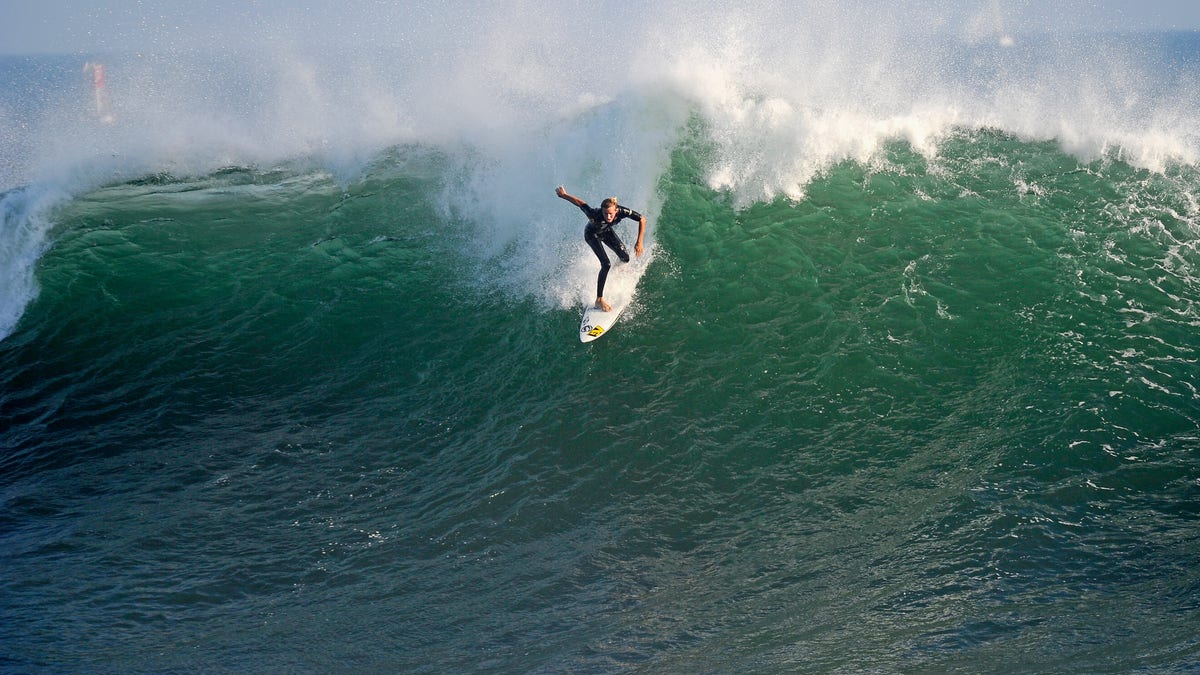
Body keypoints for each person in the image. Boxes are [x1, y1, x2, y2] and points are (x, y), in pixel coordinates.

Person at [556, 185, 646, 312]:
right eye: (605, 214)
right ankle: (599, 299)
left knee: (625, 258)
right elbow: (581, 203)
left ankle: (616, 271)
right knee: (606, 264)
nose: (608, 217)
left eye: (610, 214)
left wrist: (639, 242)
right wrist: (564, 195)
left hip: (606, 232)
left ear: (616, 210)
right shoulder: (594, 214)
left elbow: (642, 219)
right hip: (591, 235)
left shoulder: (622, 212)